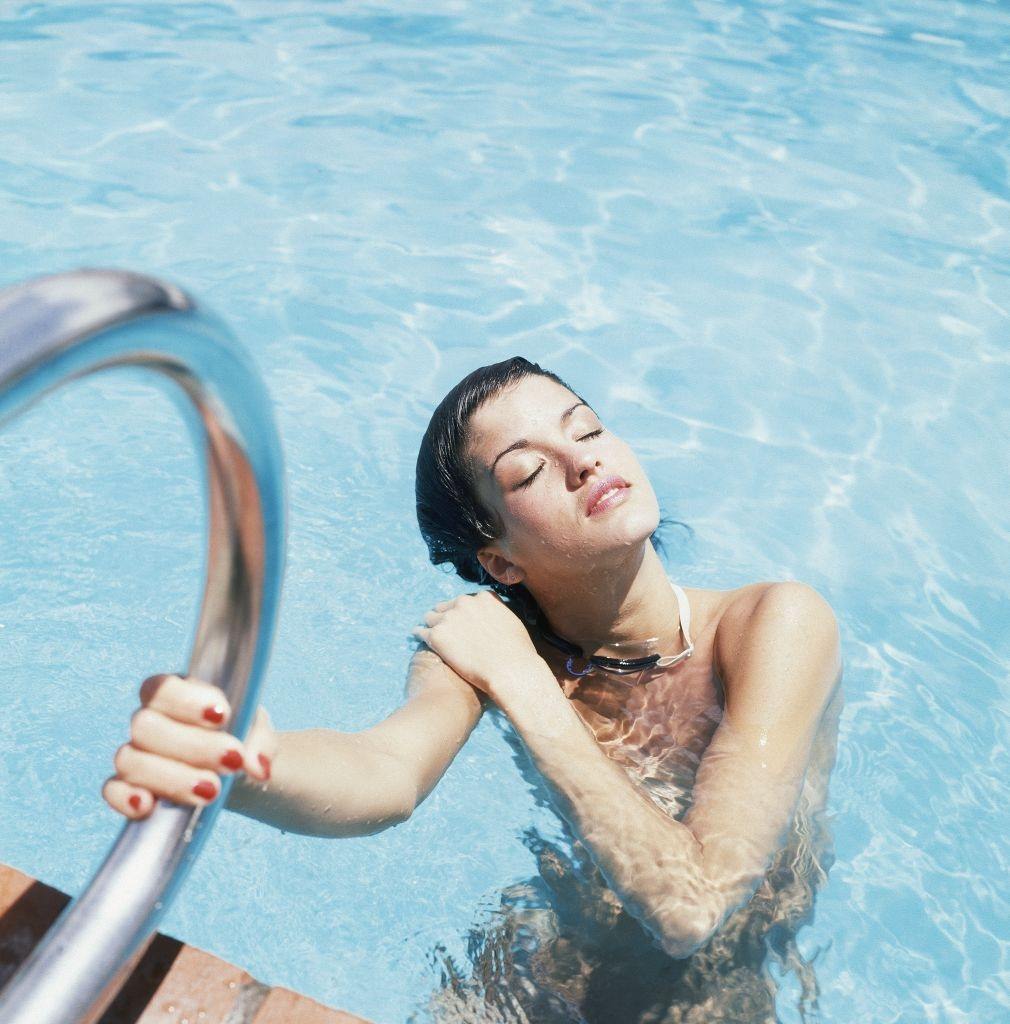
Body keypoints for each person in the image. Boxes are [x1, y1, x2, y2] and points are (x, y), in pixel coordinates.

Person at [104, 357, 843, 1023]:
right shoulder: (485, 648)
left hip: (707, 1002)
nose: (582, 463)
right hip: (529, 977)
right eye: (528, 473)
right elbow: (385, 772)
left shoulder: (771, 625)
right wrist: (251, 766)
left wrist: (527, 687)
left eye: (585, 429)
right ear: (500, 562)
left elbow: (694, 905)